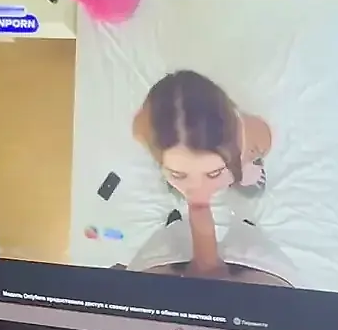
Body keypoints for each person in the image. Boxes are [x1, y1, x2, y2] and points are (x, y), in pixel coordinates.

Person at [122, 70, 298, 287]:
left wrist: (245, 165)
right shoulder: (142, 128)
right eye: (179, 174)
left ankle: (244, 220)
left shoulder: (254, 135)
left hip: (240, 162)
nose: (198, 191)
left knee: (250, 184)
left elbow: (258, 149)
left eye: (213, 173)